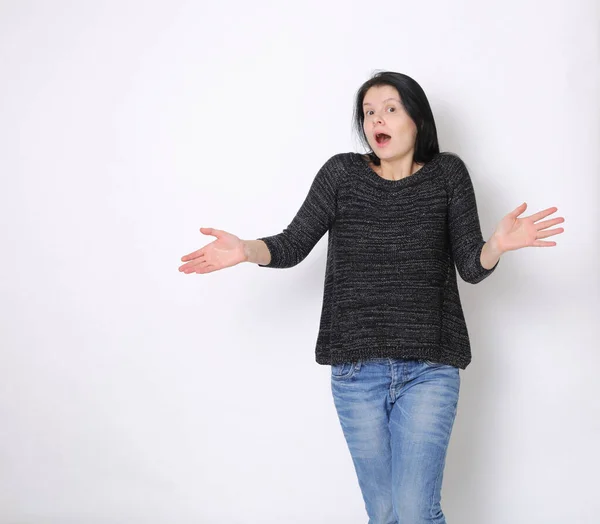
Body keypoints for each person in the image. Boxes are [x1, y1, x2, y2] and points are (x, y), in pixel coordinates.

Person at [178, 71, 565, 523]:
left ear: (417, 119)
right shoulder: (341, 174)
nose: (375, 119)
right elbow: (292, 243)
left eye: (390, 108)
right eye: (368, 112)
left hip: (430, 370)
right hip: (355, 372)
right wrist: (245, 250)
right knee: (384, 515)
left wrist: (496, 246)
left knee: (416, 513)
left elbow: (470, 266)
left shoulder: (447, 175)